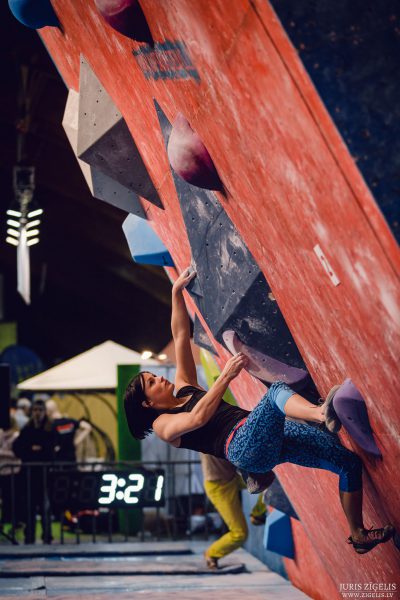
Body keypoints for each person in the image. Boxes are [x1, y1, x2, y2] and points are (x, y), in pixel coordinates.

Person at [124, 268, 394, 555]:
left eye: (154, 376)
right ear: (147, 403)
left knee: (348, 463)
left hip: (261, 437)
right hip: (241, 446)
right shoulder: (164, 425)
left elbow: (180, 336)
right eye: (152, 383)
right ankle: (321, 415)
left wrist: (176, 293)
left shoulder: (184, 387)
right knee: (275, 393)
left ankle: (358, 534)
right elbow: (197, 418)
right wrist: (225, 377)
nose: (159, 378)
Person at [13, 399, 55, 544]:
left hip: (44, 474)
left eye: (40, 410)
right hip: (30, 474)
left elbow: (52, 449)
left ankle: (47, 535)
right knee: (30, 507)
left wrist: (37, 451)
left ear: (44, 412)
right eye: (35, 410)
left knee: (45, 507)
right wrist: (31, 451)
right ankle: (29, 535)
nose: (37, 413)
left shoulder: (50, 428)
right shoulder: (27, 429)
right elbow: (18, 447)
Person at [200, 454, 248, 569]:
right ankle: (211, 554)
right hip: (219, 487)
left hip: (233, 478)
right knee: (239, 534)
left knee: (269, 479)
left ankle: (257, 515)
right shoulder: (198, 437)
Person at [46, 400, 92, 466]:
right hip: (72, 460)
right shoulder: (70, 422)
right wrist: (76, 442)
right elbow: (87, 427)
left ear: (48, 412)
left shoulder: (52, 426)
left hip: (58, 462)